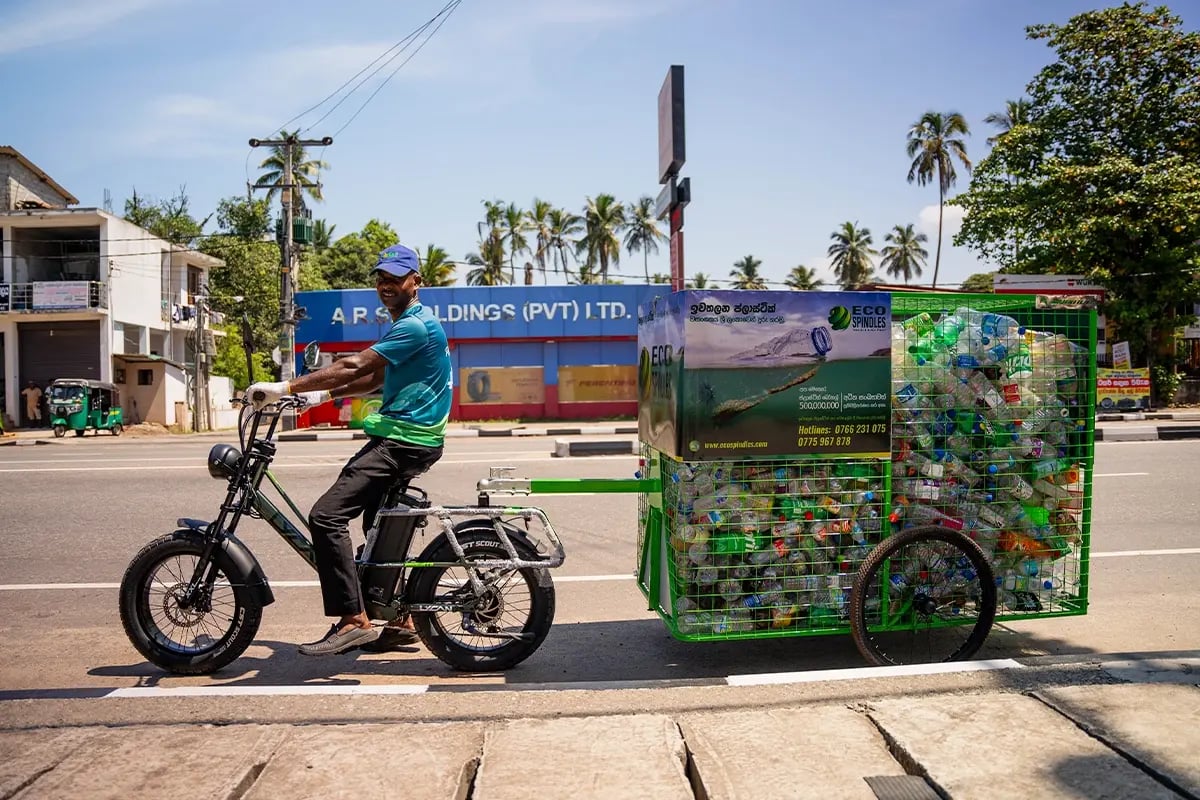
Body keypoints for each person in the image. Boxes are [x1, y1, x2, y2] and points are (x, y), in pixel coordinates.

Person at [248, 244, 452, 656]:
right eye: (381, 278)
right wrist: (319, 396)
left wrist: (284, 387)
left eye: (396, 277)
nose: (386, 284)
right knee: (378, 526)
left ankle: (353, 619)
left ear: (417, 282)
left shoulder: (414, 326)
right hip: (407, 437)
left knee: (326, 517)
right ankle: (400, 618)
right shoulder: (409, 325)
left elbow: (356, 365)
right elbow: (372, 379)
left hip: (405, 440)